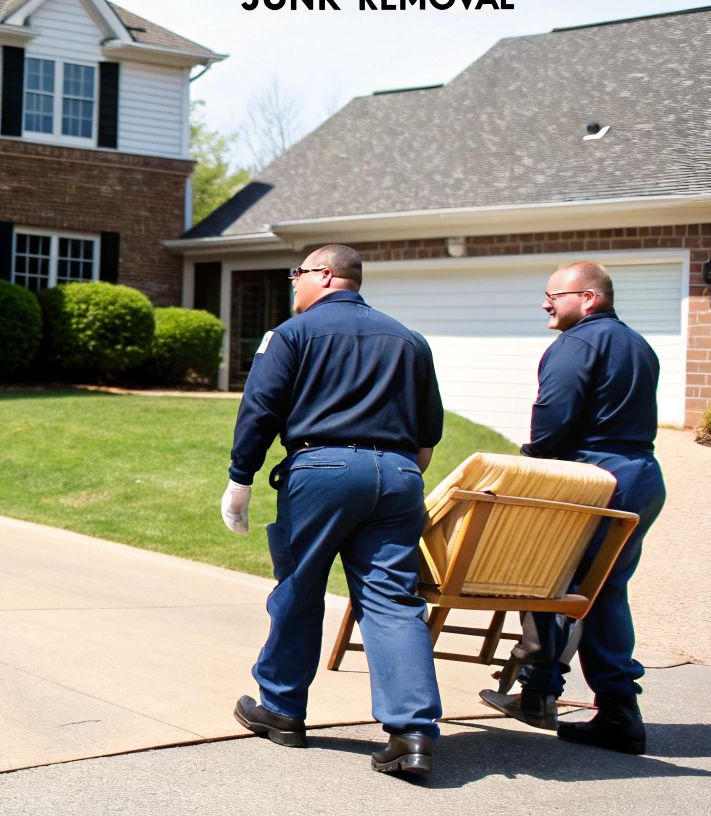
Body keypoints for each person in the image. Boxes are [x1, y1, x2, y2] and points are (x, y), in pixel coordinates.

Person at [222, 244, 445, 777]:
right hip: (398, 474)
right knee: (393, 600)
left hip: (320, 470)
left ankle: (281, 709)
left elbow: (261, 408)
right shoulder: (409, 340)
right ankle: (411, 732)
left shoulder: (291, 335)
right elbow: (428, 436)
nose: (292, 283)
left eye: (296, 274)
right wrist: (391, 474)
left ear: (324, 275)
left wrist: (240, 478)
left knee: (300, 588)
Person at [480, 261, 665, 754]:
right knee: (602, 591)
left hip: (596, 480)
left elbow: (553, 417)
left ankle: (541, 694)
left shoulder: (576, 345)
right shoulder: (638, 345)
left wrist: (532, 460)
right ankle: (614, 710)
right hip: (641, 477)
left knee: (546, 580)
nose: (545, 303)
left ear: (588, 299)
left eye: (553, 295)